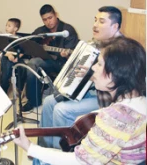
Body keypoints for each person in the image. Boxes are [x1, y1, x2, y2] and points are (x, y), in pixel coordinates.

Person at [14, 36, 146, 165]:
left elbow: (79, 161)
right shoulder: (139, 101)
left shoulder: (115, 118)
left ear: (115, 74)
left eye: (99, 64)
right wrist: (96, 113)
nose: (93, 68)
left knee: (40, 160)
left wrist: (30, 147)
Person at [39, 6, 123, 150]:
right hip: (91, 92)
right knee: (48, 102)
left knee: (61, 109)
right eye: (95, 20)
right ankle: (45, 149)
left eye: (101, 21)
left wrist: (91, 76)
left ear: (114, 26)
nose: (95, 25)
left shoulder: (122, 50)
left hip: (108, 99)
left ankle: (60, 154)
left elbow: (119, 86)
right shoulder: (99, 43)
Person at [21, 4, 79, 112]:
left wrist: (67, 55)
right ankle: (33, 101)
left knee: (35, 62)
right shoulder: (41, 31)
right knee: (33, 62)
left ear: (56, 15)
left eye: (50, 18)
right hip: (47, 62)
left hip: (63, 64)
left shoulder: (67, 30)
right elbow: (28, 43)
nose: (48, 22)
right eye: (45, 20)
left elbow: (74, 56)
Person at [0, 18, 25, 94]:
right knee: (7, 67)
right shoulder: (4, 38)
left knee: (23, 68)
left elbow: (24, 51)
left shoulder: (19, 38)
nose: (6, 27)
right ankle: (4, 88)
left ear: (15, 29)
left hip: (17, 57)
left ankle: (19, 87)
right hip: (7, 56)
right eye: (6, 25)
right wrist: (9, 54)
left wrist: (17, 58)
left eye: (9, 26)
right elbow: (2, 50)